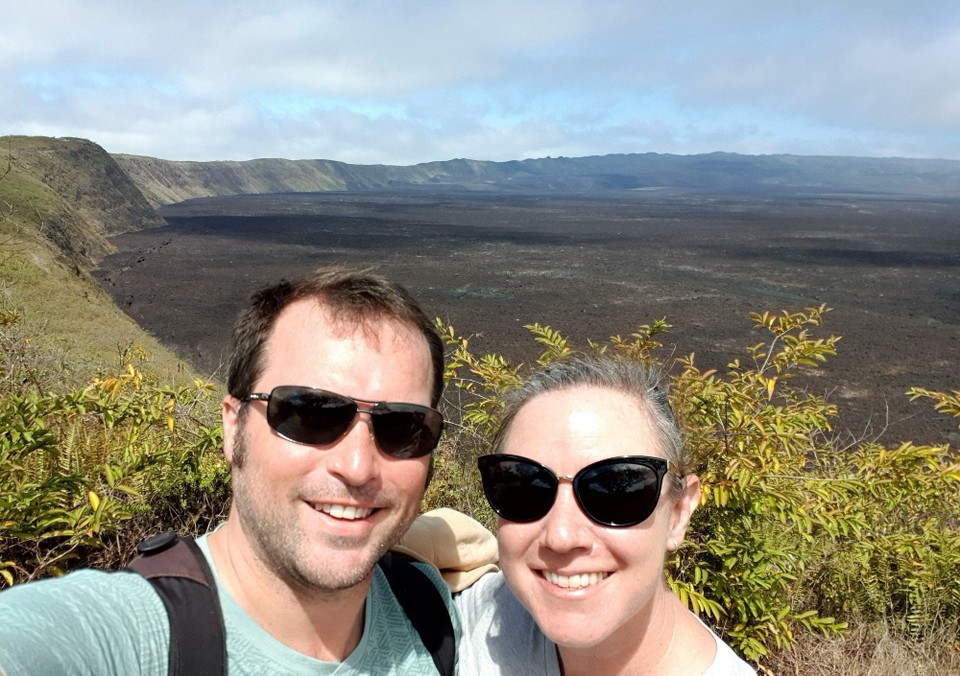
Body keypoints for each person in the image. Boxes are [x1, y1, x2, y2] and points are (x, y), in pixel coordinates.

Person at [0, 268, 459, 675]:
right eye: (310, 413)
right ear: (232, 425)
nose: (357, 467)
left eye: (404, 427)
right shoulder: (130, 635)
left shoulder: (430, 609)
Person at [452, 356, 756, 675]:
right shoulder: (450, 619)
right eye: (524, 485)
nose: (562, 537)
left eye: (616, 491)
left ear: (678, 513)